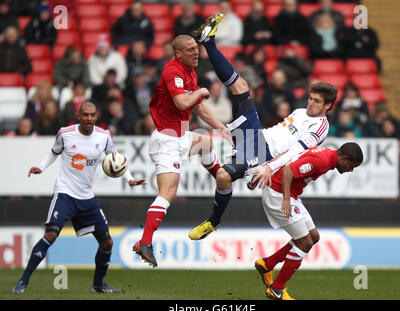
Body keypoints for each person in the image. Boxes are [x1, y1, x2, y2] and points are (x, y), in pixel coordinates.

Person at [188, 13, 338, 240]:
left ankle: (213, 221)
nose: (310, 103)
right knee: (241, 86)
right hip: (257, 134)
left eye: (317, 101)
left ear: (328, 106)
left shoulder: (320, 127)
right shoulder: (300, 111)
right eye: (310, 98)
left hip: (262, 152)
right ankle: (208, 41)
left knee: (223, 176)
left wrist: (269, 168)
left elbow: (295, 152)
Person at [12, 101, 145, 295]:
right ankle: (23, 281)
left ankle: (98, 284)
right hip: (65, 192)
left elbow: (117, 160)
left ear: (96, 116)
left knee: (107, 242)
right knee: (51, 234)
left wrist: (130, 179)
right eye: (85, 115)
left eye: (92, 115)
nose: (89, 119)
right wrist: (41, 167)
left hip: (86, 196)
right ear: (79, 115)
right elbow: (53, 152)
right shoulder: (65, 134)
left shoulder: (104, 136)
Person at [131, 34, 234, 268]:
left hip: (181, 136)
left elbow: (198, 107)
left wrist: (221, 128)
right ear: (178, 53)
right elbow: (182, 103)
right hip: (166, 140)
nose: (196, 52)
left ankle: (222, 178)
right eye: (190, 49)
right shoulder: (172, 71)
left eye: (197, 48)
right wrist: (200, 92)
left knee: (207, 143)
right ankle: (144, 243)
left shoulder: (190, 72)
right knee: (168, 193)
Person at [253, 142, 363, 300]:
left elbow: (290, 156)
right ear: (344, 158)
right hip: (278, 195)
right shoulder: (322, 160)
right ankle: (276, 289)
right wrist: (285, 200)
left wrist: (268, 169)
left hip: (291, 195)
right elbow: (289, 170)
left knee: (313, 237)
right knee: (305, 243)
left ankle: (267, 264)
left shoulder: (327, 156)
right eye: (351, 166)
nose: (350, 170)